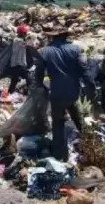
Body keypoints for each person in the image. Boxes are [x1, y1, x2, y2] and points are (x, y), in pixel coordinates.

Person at [35, 25, 96, 161]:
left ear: (52, 36)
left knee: (58, 124)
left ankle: (60, 156)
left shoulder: (44, 52)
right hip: (73, 93)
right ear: (66, 36)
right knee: (78, 120)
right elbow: (85, 71)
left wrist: (40, 86)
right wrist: (91, 88)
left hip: (56, 94)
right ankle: (92, 147)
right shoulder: (76, 50)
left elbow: (38, 73)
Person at [8, 24, 32, 94]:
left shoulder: (17, 40)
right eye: (25, 33)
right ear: (22, 33)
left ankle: (10, 93)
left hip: (16, 64)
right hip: (19, 64)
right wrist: (28, 38)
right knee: (29, 79)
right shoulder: (18, 41)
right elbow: (27, 44)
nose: (25, 34)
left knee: (14, 80)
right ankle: (29, 93)